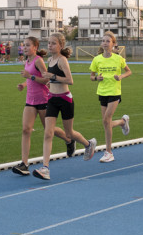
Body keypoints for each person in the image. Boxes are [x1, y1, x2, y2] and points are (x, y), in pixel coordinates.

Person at [31, 33, 96, 180]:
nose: (50, 45)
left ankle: (88, 144)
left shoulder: (62, 60)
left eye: (53, 43)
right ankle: (45, 168)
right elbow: (51, 78)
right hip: (52, 99)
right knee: (48, 132)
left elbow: (70, 80)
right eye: (49, 43)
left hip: (65, 99)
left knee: (69, 133)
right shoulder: (49, 59)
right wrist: (49, 82)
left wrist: (52, 77)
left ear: (60, 45)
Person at [14, 36, 77, 176]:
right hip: (30, 100)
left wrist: (29, 76)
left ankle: (68, 139)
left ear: (35, 47)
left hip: (43, 99)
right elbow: (31, 80)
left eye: (27, 45)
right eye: (23, 45)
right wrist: (23, 84)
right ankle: (24, 164)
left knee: (49, 130)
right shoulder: (27, 61)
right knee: (26, 130)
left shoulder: (38, 61)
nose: (24, 47)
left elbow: (46, 79)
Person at [89, 31, 131, 163]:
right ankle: (122, 122)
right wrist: (97, 78)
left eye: (108, 41)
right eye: (103, 41)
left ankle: (109, 152)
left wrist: (121, 76)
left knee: (106, 119)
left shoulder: (118, 59)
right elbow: (91, 76)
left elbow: (129, 71)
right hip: (102, 92)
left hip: (114, 92)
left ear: (113, 44)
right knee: (106, 122)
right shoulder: (97, 59)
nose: (105, 43)